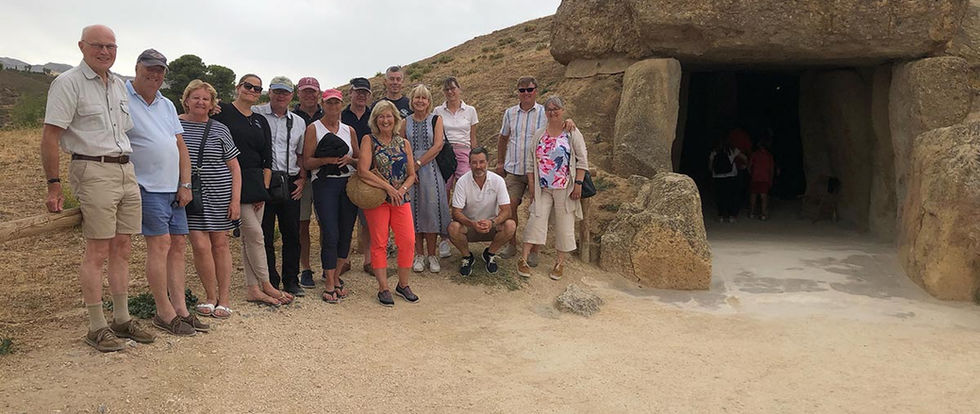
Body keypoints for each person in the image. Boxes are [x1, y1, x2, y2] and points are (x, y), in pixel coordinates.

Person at [41, 25, 155, 351]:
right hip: (92, 168)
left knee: (123, 248)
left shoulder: (118, 85)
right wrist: (54, 186)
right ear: (81, 46)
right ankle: (96, 326)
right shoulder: (67, 84)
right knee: (98, 252)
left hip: (124, 170)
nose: (105, 52)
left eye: (111, 46)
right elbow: (50, 136)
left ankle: (121, 318)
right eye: (97, 46)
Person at [125, 49, 204, 336]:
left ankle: (181, 308)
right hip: (146, 186)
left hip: (173, 187)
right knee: (159, 246)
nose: (155, 75)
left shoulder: (166, 103)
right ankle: (163, 310)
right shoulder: (121, 97)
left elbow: (180, 146)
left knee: (178, 247)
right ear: (137, 67)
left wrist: (185, 184)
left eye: (160, 70)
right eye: (150, 68)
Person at [211, 74, 294, 306]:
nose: (252, 91)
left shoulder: (260, 121)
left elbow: (267, 158)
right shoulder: (222, 111)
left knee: (250, 239)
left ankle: (253, 288)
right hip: (230, 181)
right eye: (248, 86)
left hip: (257, 184)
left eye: (257, 89)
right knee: (257, 236)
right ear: (238, 87)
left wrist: (263, 190)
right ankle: (266, 283)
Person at [179, 80, 240, 320]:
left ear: (212, 103)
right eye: (196, 97)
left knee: (220, 244)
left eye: (206, 99)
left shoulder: (219, 129)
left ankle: (224, 299)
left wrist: (235, 201)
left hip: (219, 192)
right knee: (200, 246)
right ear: (186, 100)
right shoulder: (175, 125)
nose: (200, 102)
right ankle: (210, 296)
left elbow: (235, 168)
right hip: (190, 193)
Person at [516, 96, 589, 281]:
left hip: (565, 187)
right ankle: (523, 259)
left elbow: (582, 160)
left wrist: (578, 184)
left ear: (563, 110)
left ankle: (559, 262)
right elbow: (531, 163)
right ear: (545, 112)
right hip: (543, 187)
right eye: (549, 109)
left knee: (565, 224)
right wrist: (532, 186)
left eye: (556, 108)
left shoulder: (572, 132)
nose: (552, 112)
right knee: (536, 218)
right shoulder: (540, 134)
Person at [357, 100, 419, 307]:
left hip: (400, 198)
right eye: (381, 116)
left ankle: (403, 284)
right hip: (378, 199)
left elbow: (411, 175)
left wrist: (400, 190)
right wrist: (388, 188)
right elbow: (363, 170)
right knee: (380, 242)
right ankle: (383, 287)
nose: (385, 120)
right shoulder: (369, 140)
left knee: (408, 241)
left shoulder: (404, 143)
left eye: (389, 116)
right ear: (375, 119)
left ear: (396, 119)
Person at [303, 89, 359, 303]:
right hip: (325, 183)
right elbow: (307, 162)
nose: (333, 107)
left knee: (346, 231)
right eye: (329, 103)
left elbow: (358, 157)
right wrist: (327, 160)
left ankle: (336, 277)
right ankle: (328, 281)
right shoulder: (313, 129)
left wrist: (349, 160)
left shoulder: (349, 130)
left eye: (336, 103)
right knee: (330, 232)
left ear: (341, 104)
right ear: (322, 105)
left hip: (347, 183)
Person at [253, 76, 306, 297]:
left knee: (292, 234)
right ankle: (270, 280)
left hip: (291, 181)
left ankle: (291, 280)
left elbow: (300, 153)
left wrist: (303, 178)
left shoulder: (299, 122)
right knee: (264, 234)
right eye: (277, 91)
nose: (281, 96)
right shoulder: (256, 113)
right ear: (269, 92)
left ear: (291, 95)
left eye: (285, 92)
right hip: (264, 180)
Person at [401, 84, 450, 273]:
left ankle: (432, 254)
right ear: (412, 100)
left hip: (430, 169)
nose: (420, 101)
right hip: (410, 171)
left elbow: (438, 146)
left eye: (424, 98)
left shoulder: (436, 120)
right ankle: (418, 255)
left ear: (429, 101)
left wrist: (419, 164)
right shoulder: (405, 121)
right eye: (417, 98)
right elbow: (401, 145)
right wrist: (410, 168)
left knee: (431, 211)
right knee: (413, 211)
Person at [448, 147, 517, 276]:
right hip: (470, 227)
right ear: (469, 164)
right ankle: (467, 257)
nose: (478, 166)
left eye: (481, 162)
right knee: (453, 227)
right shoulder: (462, 182)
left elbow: (507, 211)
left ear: (487, 162)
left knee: (510, 225)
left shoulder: (498, 181)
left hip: (491, 226)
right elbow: (456, 212)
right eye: (474, 162)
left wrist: (492, 222)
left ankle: (490, 254)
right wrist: (472, 224)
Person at [433, 76, 479, 258]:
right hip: (444, 153)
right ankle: (444, 238)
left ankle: (463, 232)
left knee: (464, 193)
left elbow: (473, 137)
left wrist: (475, 158)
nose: (450, 92)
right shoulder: (438, 110)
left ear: (459, 89)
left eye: (453, 88)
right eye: (447, 89)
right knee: (443, 195)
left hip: (464, 153)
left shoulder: (470, 111)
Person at [342, 77, 377, 275]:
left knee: (368, 219)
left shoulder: (374, 116)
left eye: (365, 92)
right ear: (351, 93)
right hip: (345, 172)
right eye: (358, 91)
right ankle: (345, 259)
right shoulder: (341, 115)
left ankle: (369, 260)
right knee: (346, 217)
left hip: (369, 174)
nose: (362, 95)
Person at [292, 77, 324, 289]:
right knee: (302, 223)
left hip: (324, 175)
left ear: (319, 93)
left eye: (313, 91)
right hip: (301, 175)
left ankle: (326, 267)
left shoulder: (328, 113)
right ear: (298, 93)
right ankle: (305, 268)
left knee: (326, 223)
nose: (309, 95)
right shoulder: (292, 117)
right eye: (305, 91)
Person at [709, 137, 747, 223]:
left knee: (720, 197)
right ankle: (731, 216)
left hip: (718, 177)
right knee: (731, 196)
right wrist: (743, 167)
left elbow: (710, 165)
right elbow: (744, 158)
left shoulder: (715, 152)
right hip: (731, 176)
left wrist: (712, 172)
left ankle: (721, 216)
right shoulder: (733, 150)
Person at [749, 138, 775, 220]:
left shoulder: (754, 154)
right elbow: (771, 169)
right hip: (765, 178)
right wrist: (771, 179)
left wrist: (752, 174)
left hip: (755, 177)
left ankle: (752, 213)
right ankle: (763, 214)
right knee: (763, 196)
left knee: (753, 195)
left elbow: (749, 166)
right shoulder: (769, 156)